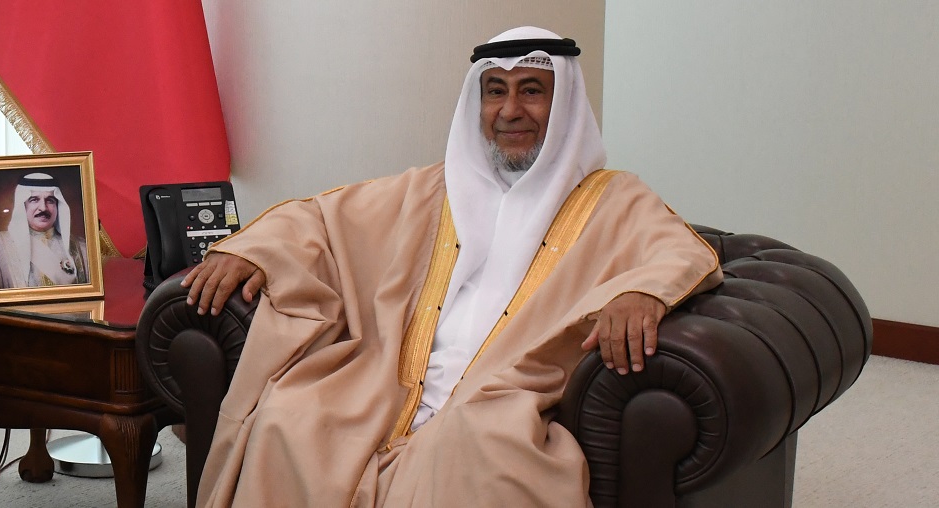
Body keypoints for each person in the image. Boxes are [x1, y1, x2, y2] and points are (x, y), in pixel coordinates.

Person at [179, 27, 722, 507]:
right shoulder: (432, 190)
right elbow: (319, 218)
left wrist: (643, 293)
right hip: (386, 382)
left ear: (564, 105)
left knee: (481, 452)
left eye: (532, 91)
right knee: (290, 418)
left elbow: (679, 252)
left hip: (503, 396)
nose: (510, 110)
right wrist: (250, 249)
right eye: (496, 91)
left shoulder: (613, 199)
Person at [0, 172, 91, 288]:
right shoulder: (0, 243)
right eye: (34, 200)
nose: (43, 208)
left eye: (50, 200)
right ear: (23, 205)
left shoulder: (80, 246)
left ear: (57, 206)